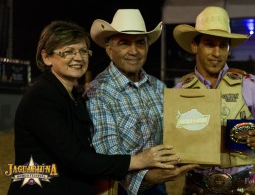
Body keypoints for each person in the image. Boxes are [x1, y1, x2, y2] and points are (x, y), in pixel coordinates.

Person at [7, 20, 181, 195]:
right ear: (46, 57)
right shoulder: (43, 96)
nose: (78, 57)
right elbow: (76, 157)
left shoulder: (72, 95)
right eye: (67, 52)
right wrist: (139, 161)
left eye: (83, 51)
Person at [172, 6, 255, 195]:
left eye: (223, 45)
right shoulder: (180, 91)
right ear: (195, 46)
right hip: (196, 187)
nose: (217, 53)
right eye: (209, 44)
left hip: (242, 187)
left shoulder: (249, 84)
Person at [86, 9, 198, 195]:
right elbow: (108, 154)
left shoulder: (158, 87)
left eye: (140, 43)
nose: (134, 51)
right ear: (109, 48)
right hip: (118, 188)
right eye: (124, 43)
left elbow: (177, 132)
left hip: (158, 185)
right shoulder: (99, 92)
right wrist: (147, 178)